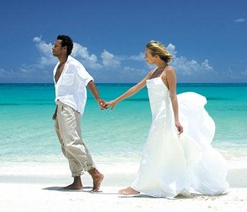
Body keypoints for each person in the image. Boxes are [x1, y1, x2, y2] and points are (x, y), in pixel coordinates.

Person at [106, 40, 229, 198]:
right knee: (164, 150)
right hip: (157, 115)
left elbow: (173, 96)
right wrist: (115, 101)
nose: (145, 58)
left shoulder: (169, 71)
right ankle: (169, 182)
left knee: (151, 148)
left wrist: (177, 120)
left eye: (147, 55)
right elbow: (136, 88)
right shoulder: (152, 73)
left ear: (156, 56)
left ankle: (137, 186)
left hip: (165, 115)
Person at [52, 34, 105, 192]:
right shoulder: (56, 67)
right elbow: (62, 92)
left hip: (70, 108)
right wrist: (56, 110)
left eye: (56, 45)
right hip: (61, 107)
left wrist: (98, 99)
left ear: (64, 49)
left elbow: (88, 81)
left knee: (72, 142)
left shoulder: (74, 65)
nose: (52, 48)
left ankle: (94, 173)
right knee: (65, 145)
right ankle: (77, 180)